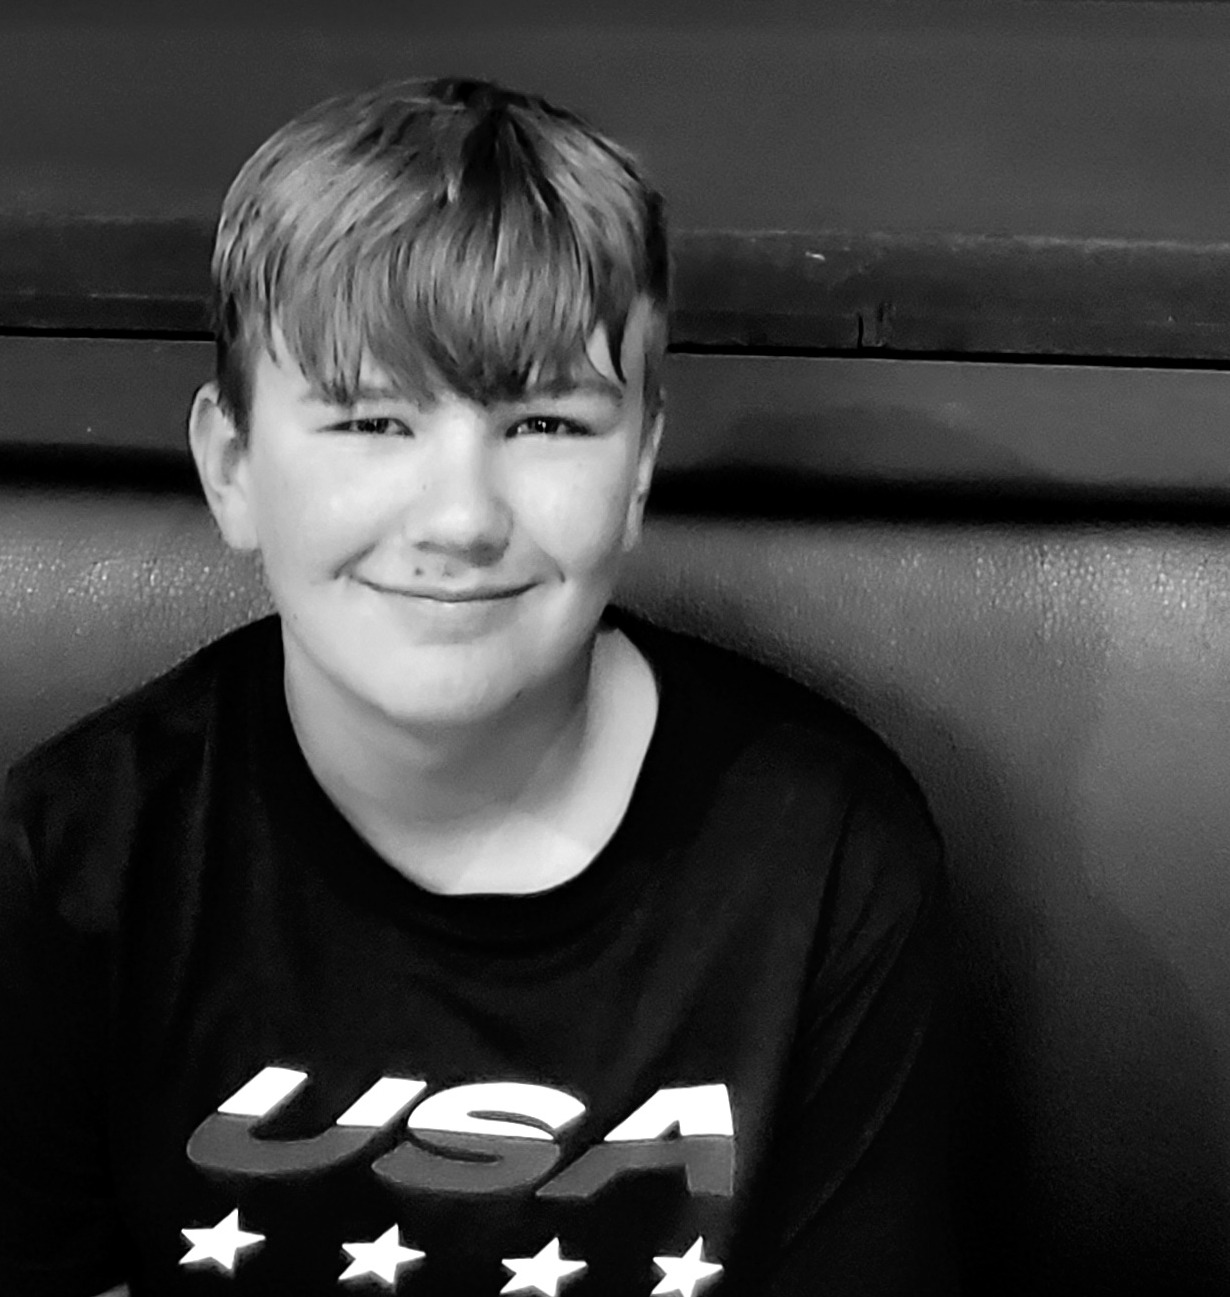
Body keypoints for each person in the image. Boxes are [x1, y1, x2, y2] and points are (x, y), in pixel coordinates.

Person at [0, 77, 958, 1296]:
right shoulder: (67, 862)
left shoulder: (827, 856)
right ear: (233, 468)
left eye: (546, 424)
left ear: (640, 470)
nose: (460, 519)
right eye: (370, 423)